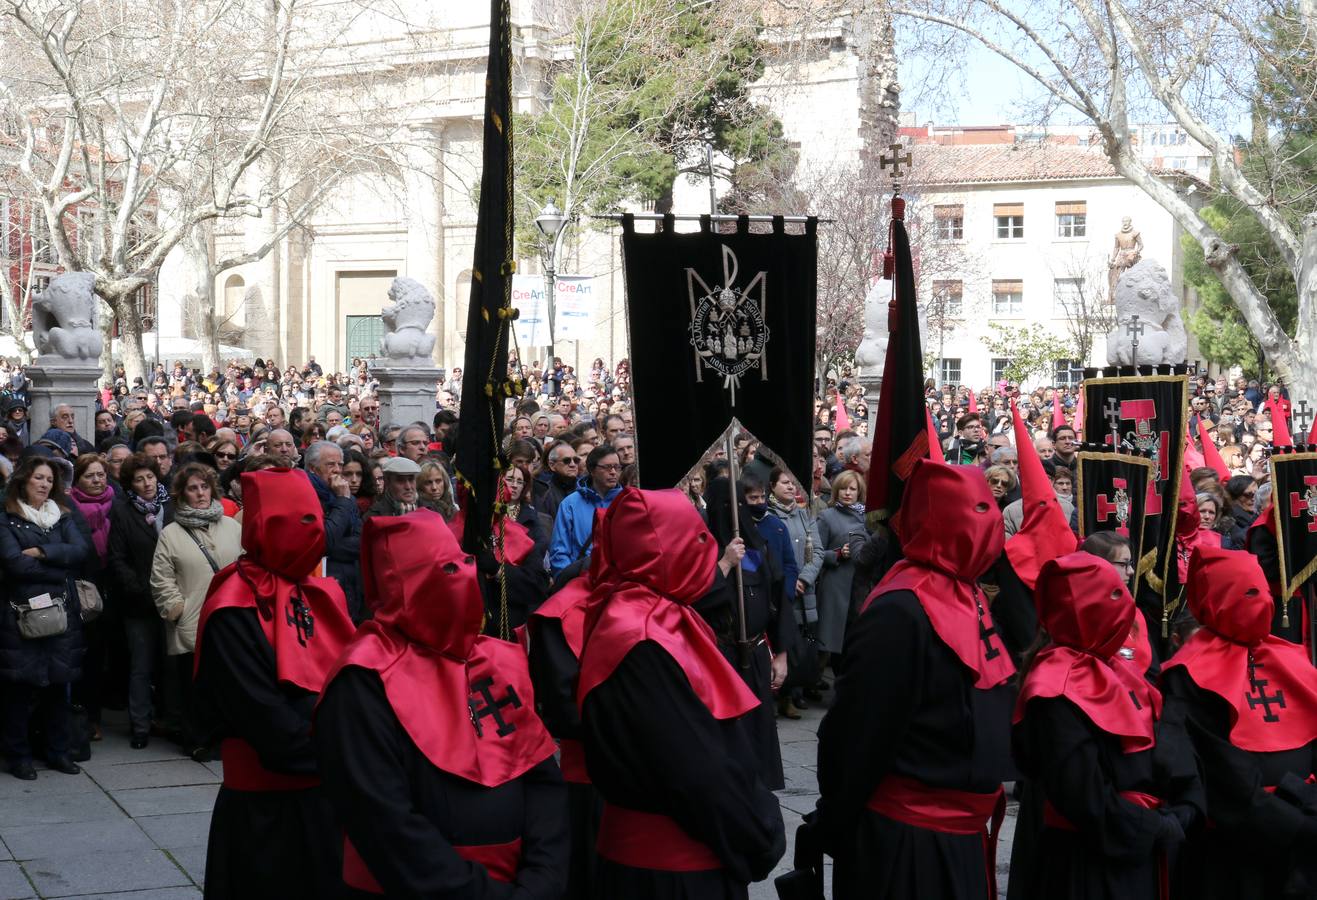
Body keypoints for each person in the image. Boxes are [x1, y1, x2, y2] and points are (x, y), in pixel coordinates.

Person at [317, 511, 569, 897]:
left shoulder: (494, 659)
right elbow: (384, 820)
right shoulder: (362, 680)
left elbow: (540, 780)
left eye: (461, 564)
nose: (461, 577)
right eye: (441, 570)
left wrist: (542, 882)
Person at [815, 460, 1016, 900]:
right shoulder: (899, 610)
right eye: (975, 512)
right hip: (906, 847)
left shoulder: (970, 594)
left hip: (959, 839)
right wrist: (837, 822)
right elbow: (857, 733)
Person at [577, 488, 785, 898]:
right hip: (670, 877)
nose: (705, 550)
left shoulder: (657, 616)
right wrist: (761, 833)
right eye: (696, 539)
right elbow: (696, 769)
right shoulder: (640, 638)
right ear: (662, 550)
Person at [192, 469, 356, 898]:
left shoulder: (322, 593)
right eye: (299, 521)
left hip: (328, 794)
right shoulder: (233, 607)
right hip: (267, 809)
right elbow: (262, 716)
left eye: (315, 518)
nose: (314, 530)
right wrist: (349, 757)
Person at [1011, 551, 1202, 899]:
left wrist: (1188, 802)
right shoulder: (1053, 686)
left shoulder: (1118, 668)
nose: (1125, 603)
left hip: (1139, 849)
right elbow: (1082, 793)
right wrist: (1152, 826)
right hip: (1090, 862)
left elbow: (1165, 741)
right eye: (1113, 595)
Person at [1163, 546, 1317, 899]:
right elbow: (1222, 774)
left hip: (1303, 835)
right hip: (1238, 849)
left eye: (1263, 589)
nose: (1262, 601)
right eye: (1248, 592)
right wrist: (1296, 827)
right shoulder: (1189, 674)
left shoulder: (1288, 655)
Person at [0, 456, 90, 779]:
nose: (44, 484)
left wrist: (42, 553)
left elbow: (81, 550)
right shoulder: (6, 519)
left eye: (49, 480)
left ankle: (59, 752)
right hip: (20, 617)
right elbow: (13, 564)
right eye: (39, 478)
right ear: (24, 480)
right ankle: (19, 756)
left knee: (58, 688)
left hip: (61, 615)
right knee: (19, 692)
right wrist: (58, 567)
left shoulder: (62, 516)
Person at [151, 462, 242, 756]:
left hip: (231, 617)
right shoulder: (171, 533)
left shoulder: (232, 527)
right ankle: (198, 739)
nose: (200, 493)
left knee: (227, 682)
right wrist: (176, 607)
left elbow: (247, 567)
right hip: (193, 619)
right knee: (194, 684)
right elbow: (161, 577)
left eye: (204, 487)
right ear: (182, 494)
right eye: (193, 488)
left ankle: (225, 738)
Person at [106, 453, 171, 748]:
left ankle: (171, 719)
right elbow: (117, 558)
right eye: (139, 479)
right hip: (139, 602)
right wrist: (141, 589)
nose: (146, 483)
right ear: (130, 484)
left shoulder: (170, 505)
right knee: (141, 666)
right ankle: (141, 726)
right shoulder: (121, 510)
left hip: (171, 599)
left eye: (150, 477)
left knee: (170, 665)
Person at [69, 453, 114, 738]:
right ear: (77, 480)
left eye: (101, 475)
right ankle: (83, 715)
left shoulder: (116, 504)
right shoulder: (68, 509)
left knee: (102, 654)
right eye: (90, 476)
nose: (97, 480)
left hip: (113, 585)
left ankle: (96, 713)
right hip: (82, 587)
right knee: (85, 654)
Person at [813, 469, 868, 671]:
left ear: (859, 492)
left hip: (859, 585)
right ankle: (811, 681)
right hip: (835, 585)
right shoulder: (827, 516)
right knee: (827, 640)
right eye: (843, 488)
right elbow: (813, 553)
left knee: (852, 639)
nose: (847, 493)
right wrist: (837, 554)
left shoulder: (867, 518)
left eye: (852, 489)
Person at [304, 441, 364, 622]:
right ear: (313, 469)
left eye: (340, 464)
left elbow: (361, 542)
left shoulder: (347, 497)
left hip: (350, 586)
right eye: (330, 465)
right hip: (320, 588)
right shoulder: (305, 496)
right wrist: (343, 501)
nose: (338, 470)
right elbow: (324, 540)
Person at [548, 445, 623, 578]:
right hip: (581, 580)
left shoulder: (628, 502)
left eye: (617, 467)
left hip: (619, 581)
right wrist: (570, 581)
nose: (613, 472)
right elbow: (559, 552)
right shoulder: (570, 504)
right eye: (607, 467)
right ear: (592, 470)